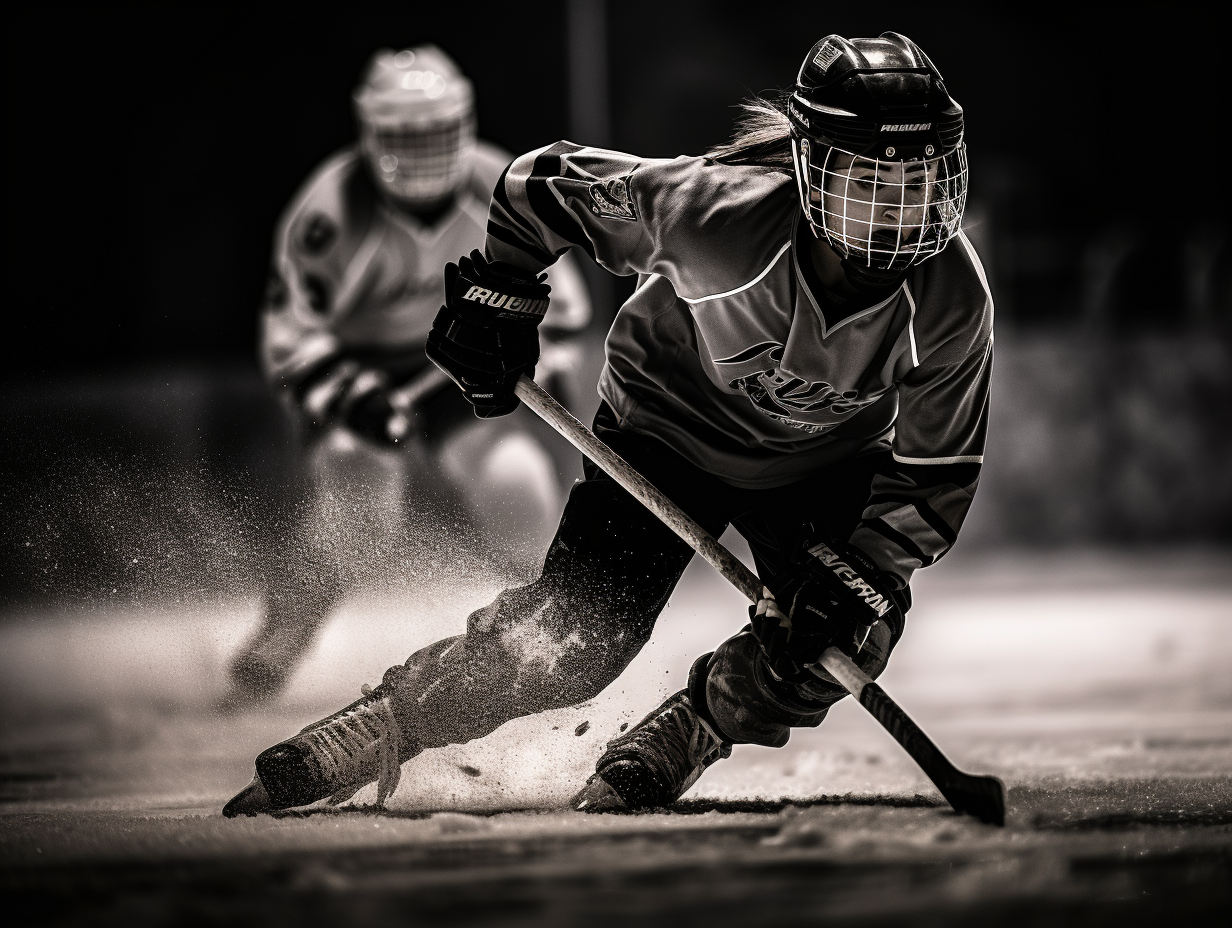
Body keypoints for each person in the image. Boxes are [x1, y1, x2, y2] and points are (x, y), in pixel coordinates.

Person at [224, 32, 992, 815]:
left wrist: (862, 570)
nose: (900, 212)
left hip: (823, 466)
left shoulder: (956, 299)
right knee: (572, 641)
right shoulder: (711, 213)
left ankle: (693, 726)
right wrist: (503, 293)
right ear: (810, 167)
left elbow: (937, 479)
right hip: (666, 431)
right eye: (870, 179)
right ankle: (388, 720)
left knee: (842, 638)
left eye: (920, 181)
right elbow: (541, 184)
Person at [223, 45, 594, 707]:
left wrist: (542, 353)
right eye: (404, 137)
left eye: (436, 135)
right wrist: (349, 398)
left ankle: (543, 634)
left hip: (463, 365)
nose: (423, 153)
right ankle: (280, 638)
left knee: (518, 487)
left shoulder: (497, 185)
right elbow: (292, 335)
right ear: (372, 134)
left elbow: (561, 308)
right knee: (358, 502)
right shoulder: (331, 210)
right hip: (355, 370)